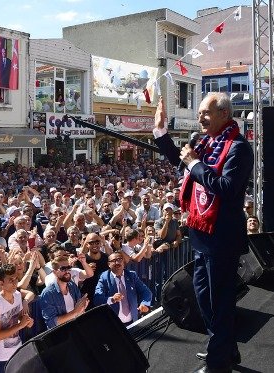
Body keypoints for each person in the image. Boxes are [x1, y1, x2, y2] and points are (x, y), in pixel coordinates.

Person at [153, 93, 252, 373]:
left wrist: (196, 164)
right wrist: (161, 131)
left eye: (205, 113)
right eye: (198, 114)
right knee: (204, 297)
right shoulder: (206, 142)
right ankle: (224, 347)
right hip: (201, 235)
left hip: (222, 237)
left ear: (224, 114)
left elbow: (226, 187)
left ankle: (218, 364)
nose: (200, 119)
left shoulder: (238, 148)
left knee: (219, 301)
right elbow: (179, 158)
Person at [93, 251, 152, 326]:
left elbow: (146, 292)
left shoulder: (131, 275)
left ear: (123, 262)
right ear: (109, 264)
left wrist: (145, 304)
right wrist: (111, 299)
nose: (117, 262)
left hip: (133, 321)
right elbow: (97, 298)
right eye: (114, 261)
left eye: (119, 259)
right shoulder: (104, 277)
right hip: (114, 324)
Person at [39, 256, 89, 329]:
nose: (67, 271)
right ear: (55, 272)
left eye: (68, 268)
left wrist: (82, 307)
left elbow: (79, 311)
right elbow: (51, 323)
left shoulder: (72, 285)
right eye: (63, 269)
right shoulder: (47, 293)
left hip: (78, 327)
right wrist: (75, 312)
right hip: (62, 334)